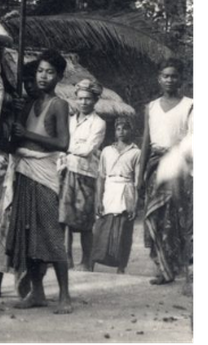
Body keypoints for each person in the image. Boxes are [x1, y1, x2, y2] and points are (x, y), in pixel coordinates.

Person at [5, 50, 72, 314]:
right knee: (27, 232)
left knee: (51, 236)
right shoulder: (28, 103)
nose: (43, 77)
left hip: (44, 173)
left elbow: (63, 143)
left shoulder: (59, 104)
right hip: (24, 172)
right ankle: (38, 292)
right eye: (40, 71)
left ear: (59, 76)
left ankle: (65, 295)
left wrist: (28, 133)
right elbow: (15, 141)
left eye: (50, 72)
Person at [0, 60, 39, 299]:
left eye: (35, 80)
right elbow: (4, 143)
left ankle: (22, 282)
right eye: (27, 82)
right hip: (15, 170)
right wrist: (12, 115)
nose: (31, 85)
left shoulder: (49, 106)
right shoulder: (17, 106)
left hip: (37, 170)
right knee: (5, 222)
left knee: (28, 227)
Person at [138, 58, 194, 288]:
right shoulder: (150, 107)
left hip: (178, 166)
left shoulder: (190, 105)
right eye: (165, 76)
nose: (170, 80)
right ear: (158, 78)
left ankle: (178, 268)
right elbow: (145, 143)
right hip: (154, 167)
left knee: (176, 218)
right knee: (157, 217)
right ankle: (161, 267)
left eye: (174, 76)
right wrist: (139, 176)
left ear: (181, 79)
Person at [59, 79, 106, 271]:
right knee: (64, 218)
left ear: (95, 100)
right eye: (80, 99)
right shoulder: (68, 121)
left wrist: (65, 147)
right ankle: (66, 257)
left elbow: (88, 149)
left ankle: (87, 261)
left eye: (88, 99)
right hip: (64, 170)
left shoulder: (98, 123)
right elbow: (61, 143)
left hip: (85, 174)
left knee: (85, 220)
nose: (84, 102)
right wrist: (66, 148)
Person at [92, 117, 140, 274]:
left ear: (130, 130)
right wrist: (98, 199)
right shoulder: (107, 151)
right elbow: (101, 176)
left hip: (126, 191)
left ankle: (121, 266)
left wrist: (135, 203)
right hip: (109, 190)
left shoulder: (136, 152)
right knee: (102, 227)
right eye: (118, 128)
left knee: (124, 228)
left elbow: (137, 181)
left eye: (125, 128)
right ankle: (92, 263)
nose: (121, 132)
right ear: (115, 131)